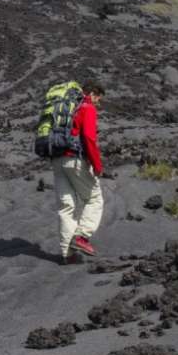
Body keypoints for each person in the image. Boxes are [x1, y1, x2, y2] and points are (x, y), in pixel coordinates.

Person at [56, 82, 105, 263]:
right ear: (92, 93)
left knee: (66, 206)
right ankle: (81, 237)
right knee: (94, 198)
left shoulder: (65, 107)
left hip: (56, 158)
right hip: (74, 159)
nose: (98, 102)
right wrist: (97, 165)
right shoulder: (87, 107)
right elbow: (89, 138)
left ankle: (66, 254)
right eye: (98, 97)